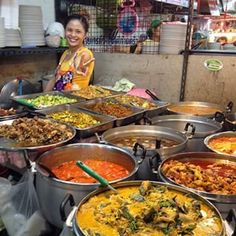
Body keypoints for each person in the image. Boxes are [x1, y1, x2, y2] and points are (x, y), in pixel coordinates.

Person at [45, 14, 95, 91]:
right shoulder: (66, 53)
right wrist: (43, 96)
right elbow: (54, 78)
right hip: (58, 100)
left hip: (76, 101)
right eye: (69, 30)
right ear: (65, 31)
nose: (73, 35)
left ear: (85, 35)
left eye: (78, 31)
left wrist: (78, 65)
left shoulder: (85, 54)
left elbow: (76, 87)